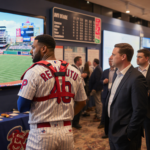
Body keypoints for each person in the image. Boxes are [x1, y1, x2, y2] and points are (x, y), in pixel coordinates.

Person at [17, 34, 87, 150]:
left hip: (41, 134)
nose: (31, 51)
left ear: (43, 49)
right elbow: (82, 102)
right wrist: (66, 116)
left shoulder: (34, 71)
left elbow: (21, 106)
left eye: (34, 47)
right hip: (66, 132)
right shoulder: (74, 70)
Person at [105, 43, 148, 150]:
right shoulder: (117, 73)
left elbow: (139, 109)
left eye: (114, 55)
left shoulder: (136, 78)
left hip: (125, 134)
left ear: (123, 57)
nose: (111, 57)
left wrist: (130, 133)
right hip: (113, 129)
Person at [137, 49, 150, 150]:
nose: (137, 59)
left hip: (149, 111)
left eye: (140, 57)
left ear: (147, 58)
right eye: (137, 56)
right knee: (135, 137)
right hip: (135, 110)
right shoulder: (134, 71)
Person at [98, 57, 115, 132]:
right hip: (106, 92)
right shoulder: (105, 71)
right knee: (104, 109)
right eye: (109, 60)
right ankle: (103, 123)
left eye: (111, 60)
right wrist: (103, 81)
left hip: (114, 93)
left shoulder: (118, 71)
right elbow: (100, 81)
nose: (110, 62)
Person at [72, 56, 84, 129]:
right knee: (78, 105)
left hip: (79, 89)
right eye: (80, 60)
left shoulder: (79, 69)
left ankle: (75, 122)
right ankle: (75, 123)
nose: (82, 61)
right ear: (77, 61)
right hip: (75, 91)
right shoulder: (74, 69)